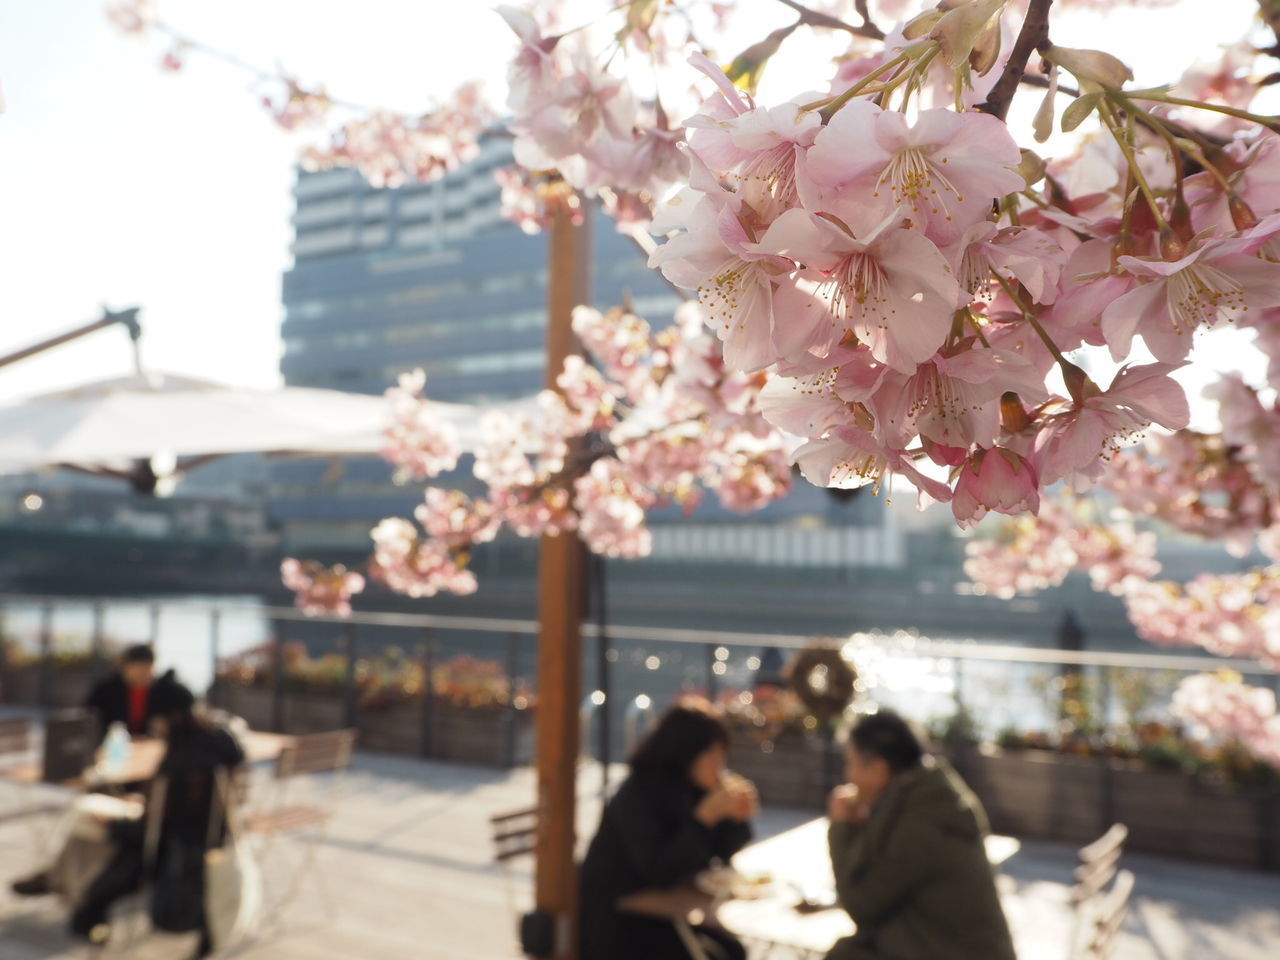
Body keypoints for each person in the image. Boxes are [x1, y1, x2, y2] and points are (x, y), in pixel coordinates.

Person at [14, 687, 246, 958]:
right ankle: (63, 888)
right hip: (213, 835)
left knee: (88, 826)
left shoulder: (178, 763)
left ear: (167, 717)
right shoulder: (220, 744)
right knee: (95, 825)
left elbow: (158, 832)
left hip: (171, 849)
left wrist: (114, 824)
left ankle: (76, 901)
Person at [825, 711, 1016, 960]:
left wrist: (841, 827)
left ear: (879, 770)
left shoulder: (926, 818)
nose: (848, 776)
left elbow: (861, 905)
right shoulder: (924, 796)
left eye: (850, 764)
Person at [579, 701, 758, 960]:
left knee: (733, 950)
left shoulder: (694, 788)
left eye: (723, 753)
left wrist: (736, 817)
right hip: (618, 921)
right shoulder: (637, 793)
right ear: (684, 753)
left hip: (667, 910)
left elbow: (720, 853)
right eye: (711, 754)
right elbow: (659, 871)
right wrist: (703, 819)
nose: (719, 763)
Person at [84, 644, 189, 742]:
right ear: (125, 667)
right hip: (114, 748)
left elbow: (188, 708)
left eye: (146, 670)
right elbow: (87, 717)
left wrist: (169, 722)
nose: (142, 675)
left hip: (153, 747)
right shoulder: (106, 690)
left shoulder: (166, 690)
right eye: (138, 670)